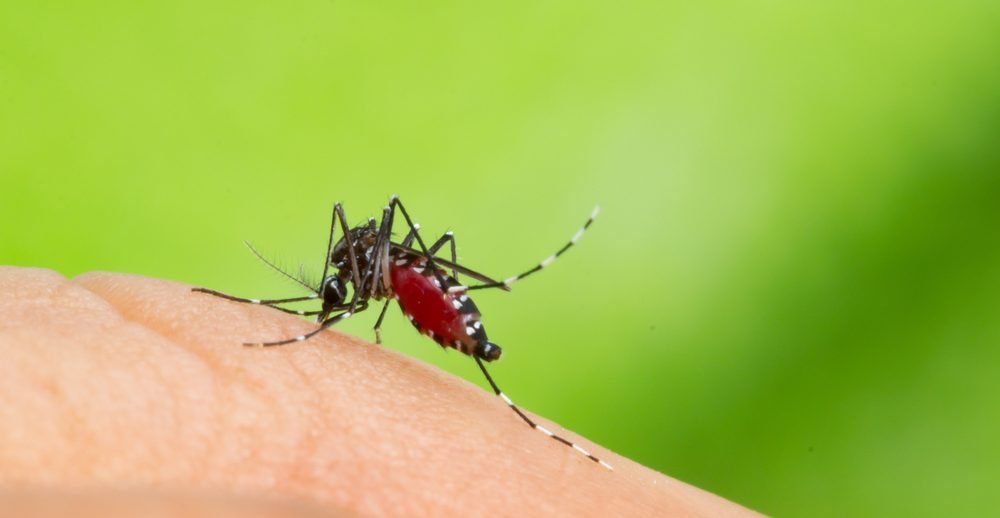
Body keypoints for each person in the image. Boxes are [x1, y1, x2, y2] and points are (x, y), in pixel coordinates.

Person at [0, 267, 757, 516]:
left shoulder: (370, 275)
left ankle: (492, 323)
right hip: (408, 281)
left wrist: (309, 328)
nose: (326, 308)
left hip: (411, 279)